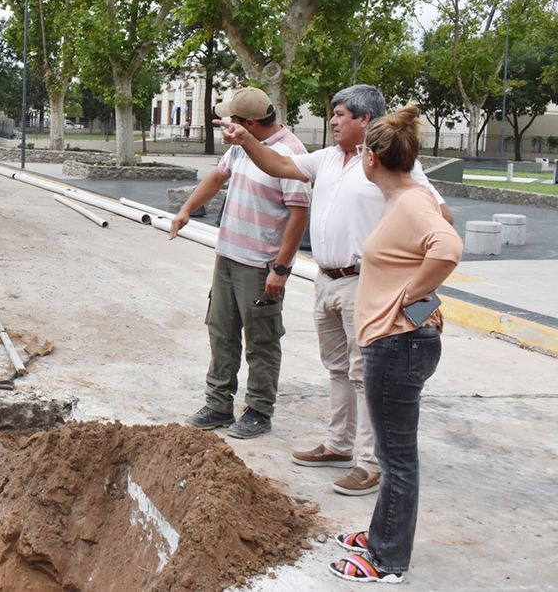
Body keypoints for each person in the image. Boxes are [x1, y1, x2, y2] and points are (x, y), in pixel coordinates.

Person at [220, 85, 453, 497]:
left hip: (364, 283)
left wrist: (410, 287)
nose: (333, 121)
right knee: (339, 369)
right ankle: (338, 445)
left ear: (366, 120)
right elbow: (278, 164)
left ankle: (370, 464)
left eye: (341, 114)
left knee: (367, 375)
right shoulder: (328, 158)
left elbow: (441, 218)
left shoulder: (393, 166)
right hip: (326, 279)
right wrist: (246, 139)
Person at [328, 105, 462, 584]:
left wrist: (412, 298)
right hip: (403, 340)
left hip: (395, 347)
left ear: (371, 159)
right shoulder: (410, 196)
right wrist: (422, 303)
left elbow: (447, 249)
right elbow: (417, 257)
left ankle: (387, 560)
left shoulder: (408, 201)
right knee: (394, 454)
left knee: (395, 460)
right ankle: (381, 533)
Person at [174, 87, 311, 439]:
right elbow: (217, 178)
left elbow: (299, 215)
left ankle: (259, 410)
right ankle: (218, 403)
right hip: (228, 256)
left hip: (260, 265)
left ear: (248, 123)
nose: (227, 125)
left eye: (232, 119)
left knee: (261, 340)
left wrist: (281, 268)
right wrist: (186, 210)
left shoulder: (290, 154)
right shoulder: (240, 146)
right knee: (221, 331)